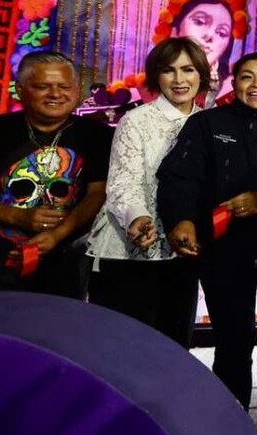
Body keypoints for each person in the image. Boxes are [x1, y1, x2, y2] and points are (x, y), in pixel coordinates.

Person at [156, 53, 257, 408]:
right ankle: (231, 423)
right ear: (234, 83)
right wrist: (182, 220)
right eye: (247, 77)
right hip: (224, 252)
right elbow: (179, 178)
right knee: (233, 343)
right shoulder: (206, 124)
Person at [85, 38, 208, 347]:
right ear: (156, 76)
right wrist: (137, 218)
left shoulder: (211, 122)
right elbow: (122, 182)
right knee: (123, 349)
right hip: (129, 250)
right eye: (169, 71)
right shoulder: (136, 121)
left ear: (201, 74)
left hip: (181, 251)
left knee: (173, 347)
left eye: (188, 70)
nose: (179, 80)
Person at [0, 51, 112, 295]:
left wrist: (57, 235)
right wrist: (16, 217)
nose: (56, 94)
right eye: (42, 86)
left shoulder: (98, 135)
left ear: (77, 89)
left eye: (64, 86)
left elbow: (98, 194)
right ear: (20, 89)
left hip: (69, 244)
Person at [153, 0, 249, 103]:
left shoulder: (235, 96)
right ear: (174, 31)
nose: (209, 36)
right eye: (199, 22)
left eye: (221, 32)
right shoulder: (137, 95)